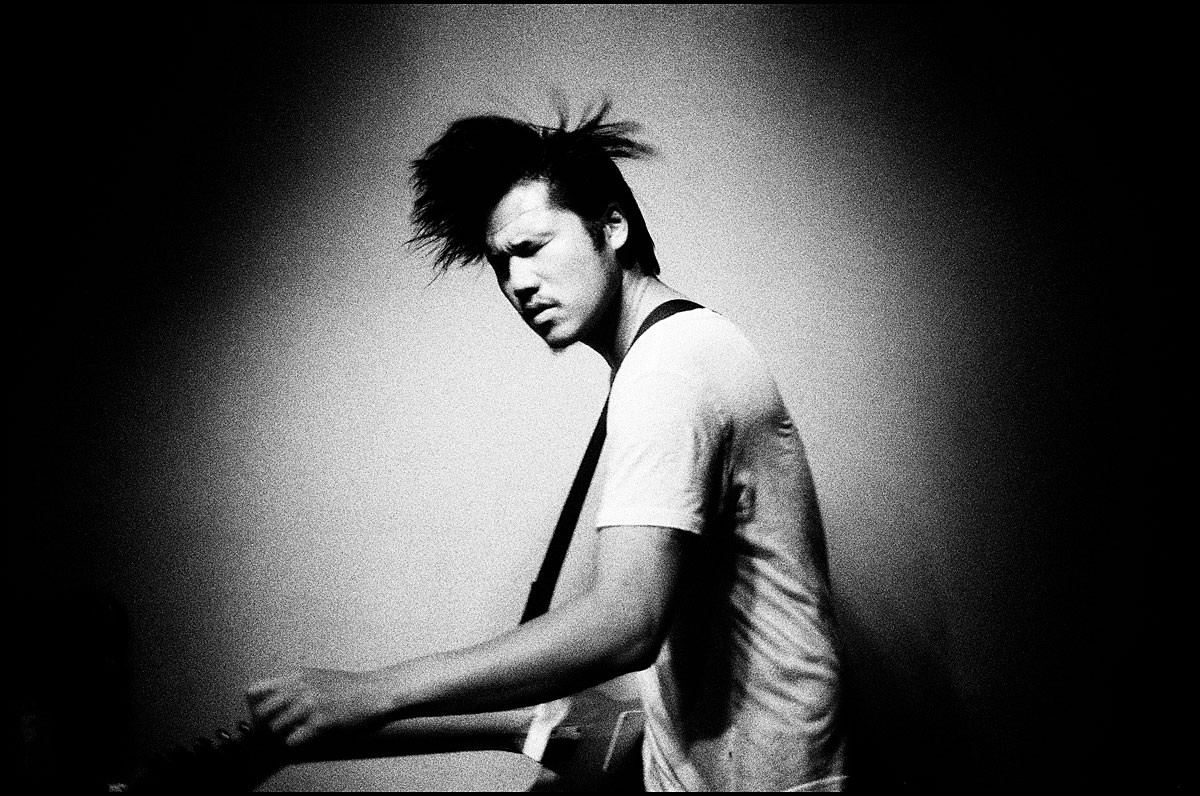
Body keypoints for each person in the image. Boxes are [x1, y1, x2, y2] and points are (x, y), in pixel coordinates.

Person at [246, 102, 847, 791]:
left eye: (531, 248)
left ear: (612, 227)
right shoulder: (669, 353)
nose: (518, 284)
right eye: (501, 265)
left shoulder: (669, 367)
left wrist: (374, 691)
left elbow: (627, 623)